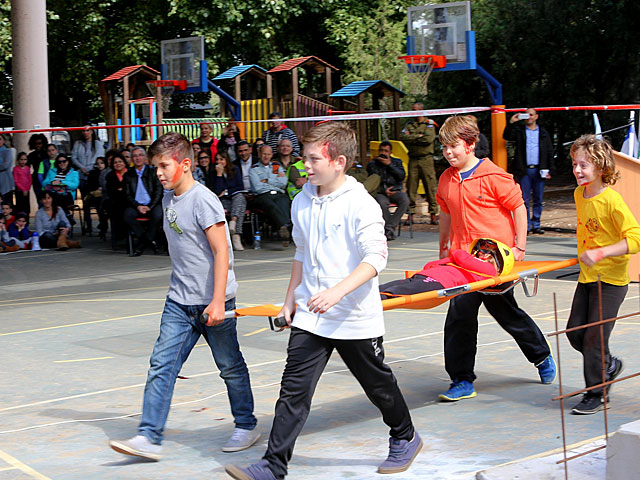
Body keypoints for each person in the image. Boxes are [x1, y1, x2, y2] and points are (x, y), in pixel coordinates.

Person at [225, 122, 422, 480]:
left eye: (314, 159)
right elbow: (301, 254)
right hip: (311, 316)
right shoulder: (301, 200)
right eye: (304, 157)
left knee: (377, 385)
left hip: (353, 315)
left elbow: (376, 258)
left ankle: (405, 436)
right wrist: (290, 302)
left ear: (339, 162)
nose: (305, 165)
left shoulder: (360, 203)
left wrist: (337, 292)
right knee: (293, 390)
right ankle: (273, 465)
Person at [109, 132, 258, 461]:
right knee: (161, 365)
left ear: (185, 164)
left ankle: (246, 425)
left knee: (230, 366)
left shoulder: (203, 200)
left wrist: (218, 300)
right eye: (155, 167)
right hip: (179, 301)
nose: (158, 173)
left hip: (211, 301)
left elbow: (222, 252)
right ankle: (148, 436)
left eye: (163, 166)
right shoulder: (168, 197)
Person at [436, 115, 556, 402]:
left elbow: (518, 207)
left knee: (507, 313)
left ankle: (540, 355)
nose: (449, 152)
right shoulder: (446, 179)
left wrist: (519, 247)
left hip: (494, 263)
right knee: (459, 317)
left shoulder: (494, 177)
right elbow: (445, 213)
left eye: (454, 146)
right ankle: (462, 380)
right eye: (444, 147)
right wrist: (444, 248)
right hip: (463, 262)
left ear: (471, 144)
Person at [565, 135, 640, 415]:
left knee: (594, 339)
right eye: (574, 164)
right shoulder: (578, 194)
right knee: (575, 333)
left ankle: (596, 393)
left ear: (601, 167)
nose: (577, 170)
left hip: (610, 282)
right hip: (587, 278)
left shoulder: (612, 201)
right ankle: (607, 364)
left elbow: (635, 239)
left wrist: (601, 253)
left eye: (584, 165)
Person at [380, 238, 513, 299]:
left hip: (439, 283)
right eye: (482, 248)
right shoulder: (464, 263)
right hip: (425, 276)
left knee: (395, 292)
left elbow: (458, 254)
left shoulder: (489, 271)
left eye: (488, 252)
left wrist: (456, 259)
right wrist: (452, 261)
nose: (482, 252)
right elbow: (430, 265)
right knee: (383, 288)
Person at [503, 108, 554, 235]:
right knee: (524, 199)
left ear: (536, 116)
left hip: (539, 169)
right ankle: (525, 226)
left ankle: (536, 224)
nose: (529, 117)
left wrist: (550, 169)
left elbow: (549, 151)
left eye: (531, 115)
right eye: (527, 115)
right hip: (524, 170)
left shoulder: (543, 133)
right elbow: (507, 136)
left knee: (538, 199)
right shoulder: (520, 131)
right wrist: (512, 122)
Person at [401, 102, 439, 225]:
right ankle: (410, 214)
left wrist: (412, 137)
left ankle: (433, 214)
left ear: (421, 110)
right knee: (411, 187)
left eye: (415, 110)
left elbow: (428, 139)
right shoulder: (409, 124)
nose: (413, 112)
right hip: (413, 159)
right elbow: (403, 137)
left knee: (430, 186)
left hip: (426, 159)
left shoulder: (429, 124)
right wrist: (418, 136)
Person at [123, 147, 163, 256]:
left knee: (158, 214)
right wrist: (138, 206)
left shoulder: (153, 172)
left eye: (140, 155)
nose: (138, 158)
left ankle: (141, 244)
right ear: (131, 159)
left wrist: (150, 206)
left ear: (145, 157)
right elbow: (127, 195)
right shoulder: (128, 175)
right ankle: (147, 239)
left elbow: (158, 191)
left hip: (152, 204)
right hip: (136, 205)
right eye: (135, 156)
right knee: (128, 215)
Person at [367, 141, 410, 241]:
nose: (383, 153)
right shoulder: (373, 164)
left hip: (395, 190)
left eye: (386, 151)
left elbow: (401, 176)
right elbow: (372, 182)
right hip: (381, 192)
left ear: (390, 152)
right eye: (381, 150)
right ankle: (389, 230)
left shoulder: (397, 162)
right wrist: (383, 190)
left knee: (405, 200)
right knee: (382, 203)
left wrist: (390, 164)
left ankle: (389, 228)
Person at [248, 144, 291, 246]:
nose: (266, 156)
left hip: (278, 194)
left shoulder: (277, 166)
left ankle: (283, 228)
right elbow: (257, 188)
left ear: (272, 155)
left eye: (268, 154)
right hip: (262, 196)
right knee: (269, 204)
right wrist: (276, 182)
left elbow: (284, 183)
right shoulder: (254, 169)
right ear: (259, 154)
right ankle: (284, 227)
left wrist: (267, 181)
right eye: (264, 154)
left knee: (284, 202)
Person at [212, 151, 247, 251]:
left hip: (234, 197)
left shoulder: (235, 169)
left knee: (240, 197)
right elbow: (217, 192)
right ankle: (236, 235)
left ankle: (233, 222)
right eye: (217, 160)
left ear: (226, 160)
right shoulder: (213, 172)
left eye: (221, 159)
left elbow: (240, 187)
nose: (219, 162)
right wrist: (219, 175)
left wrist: (227, 191)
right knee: (240, 205)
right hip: (222, 201)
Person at [42, 154, 80, 218]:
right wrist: (52, 182)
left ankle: (64, 218)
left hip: (67, 195)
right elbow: (44, 184)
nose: (62, 163)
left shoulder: (74, 173)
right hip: (53, 195)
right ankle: (67, 215)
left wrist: (61, 182)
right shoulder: (51, 171)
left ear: (67, 162)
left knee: (56, 199)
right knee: (55, 197)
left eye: (64, 161)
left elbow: (75, 185)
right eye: (59, 162)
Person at [71, 127, 105, 199]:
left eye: (87, 130)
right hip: (81, 174)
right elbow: (74, 157)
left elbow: (100, 157)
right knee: (84, 197)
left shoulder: (97, 144)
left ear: (92, 131)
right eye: (83, 131)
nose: (85, 133)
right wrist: (82, 167)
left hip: (94, 175)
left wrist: (89, 168)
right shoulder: (78, 143)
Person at [105, 153, 130, 248]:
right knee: (116, 209)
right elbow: (111, 192)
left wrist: (121, 190)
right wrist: (122, 190)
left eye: (120, 161)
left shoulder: (131, 173)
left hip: (130, 201)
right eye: (115, 162)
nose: (118, 164)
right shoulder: (110, 176)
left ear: (124, 162)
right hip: (116, 202)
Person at [84, 156, 109, 238]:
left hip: (105, 195)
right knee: (95, 204)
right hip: (95, 195)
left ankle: (103, 224)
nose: (100, 165)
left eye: (102, 163)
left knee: (102, 204)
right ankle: (95, 225)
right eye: (98, 163)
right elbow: (89, 186)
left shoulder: (109, 172)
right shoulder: (93, 173)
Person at [27, 134, 48, 204]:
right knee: (39, 200)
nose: (38, 145)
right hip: (36, 179)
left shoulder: (47, 154)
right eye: (35, 144)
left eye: (40, 143)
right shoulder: (31, 155)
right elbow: (26, 168)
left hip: (47, 178)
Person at [13, 152, 32, 217]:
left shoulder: (27, 168)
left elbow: (29, 179)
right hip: (19, 191)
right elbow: (16, 181)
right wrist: (23, 190)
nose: (23, 161)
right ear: (18, 160)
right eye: (21, 159)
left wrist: (27, 189)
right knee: (20, 207)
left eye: (25, 159)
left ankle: (27, 221)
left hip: (27, 191)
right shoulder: (15, 169)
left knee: (27, 207)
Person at [0, 133, 14, 204]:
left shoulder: (7, 151)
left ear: (4, 141)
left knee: (7, 203)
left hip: (5, 182)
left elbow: (6, 165)